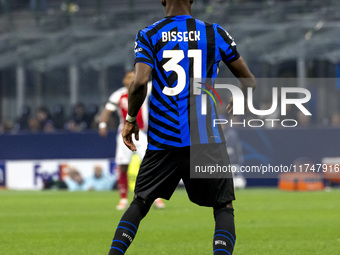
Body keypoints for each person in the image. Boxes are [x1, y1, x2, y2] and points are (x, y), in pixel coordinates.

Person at [107, 1, 255, 255]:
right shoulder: (215, 33)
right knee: (223, 207)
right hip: (206, 138)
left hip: (164, 138)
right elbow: (249, 81)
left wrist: (130, 118)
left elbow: (140, 81)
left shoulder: (149, 34)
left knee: (141, 202)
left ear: (162, 0)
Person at [99, 70, 165, 210]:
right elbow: (107, 110)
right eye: (129, 77)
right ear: (124, 80)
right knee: (123, 165)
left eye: (134, 76)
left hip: (142, 133)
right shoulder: (118, 94)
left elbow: (159, 82)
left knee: (151, 164)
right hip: (124, 133)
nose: (132, 79)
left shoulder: (144, 89)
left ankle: (156, 198)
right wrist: (102, 124)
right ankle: (123, 198)